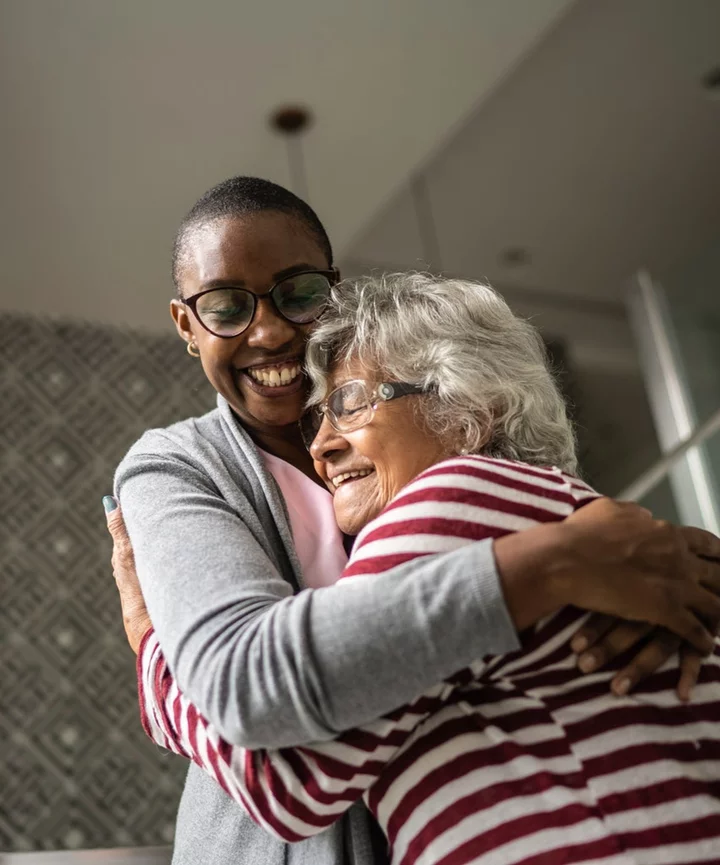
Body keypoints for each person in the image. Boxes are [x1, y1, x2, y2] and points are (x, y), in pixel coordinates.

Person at [106, 177, 720, 865]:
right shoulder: (176, 465)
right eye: (225, 306)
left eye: (300, 293)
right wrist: (554, 564)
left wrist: (156, 659)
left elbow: (288, 775)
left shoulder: (451, 488)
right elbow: (247, 683)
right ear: (187, 325)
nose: (271, 329)